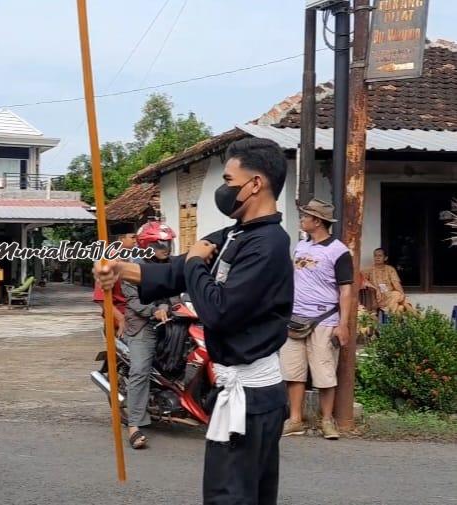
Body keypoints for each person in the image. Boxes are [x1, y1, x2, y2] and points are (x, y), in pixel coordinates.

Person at [93, 138, 293, 505]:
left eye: (229, 179)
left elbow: (219, 310)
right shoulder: (238, 234)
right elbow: (175, 271)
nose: (224, 188)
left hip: (251, 396)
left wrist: (195, 264)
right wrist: (122, 269)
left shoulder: (268, 245)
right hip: (242, 394)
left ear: (255, 183)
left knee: (229, 497)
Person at [280, 199, 354, 441]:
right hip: (296, 318)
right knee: (293, 371)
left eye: (306, 217)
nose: (302, 220)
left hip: (324, 319)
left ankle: (327, 420)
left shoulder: (339, 251)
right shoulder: (300, 247)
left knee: (324, 373)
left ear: (318, 221)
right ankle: (295, 419)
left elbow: (346, 290)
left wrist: (342, 324)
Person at [121, 221, 177, 450]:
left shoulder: (173, 265)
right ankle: (134, 425)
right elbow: (134, 302)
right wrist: (155, 310)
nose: (166, 248)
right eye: (161, 244)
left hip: (173, 322)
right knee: (140, 370)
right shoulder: (133, 269)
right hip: (143, 324)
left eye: (168, 243)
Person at [93, 226, 136, 336]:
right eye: (132, 237)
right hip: (118, 318)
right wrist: (120, 319)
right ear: (121, 239)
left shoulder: (132, 259)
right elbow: (101, 299)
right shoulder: (109, 261)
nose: (135, 241)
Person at [362, 248, 416, 315]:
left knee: (400, 305)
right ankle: (417, 318)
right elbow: (361, 280)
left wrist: (402, 294)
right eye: (375, 256)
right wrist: (375, 288)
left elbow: (396, 283)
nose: (377, 258)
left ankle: (391, 316)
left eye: (380, 256)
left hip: (390, 295)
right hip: (378, 298)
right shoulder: (368, 270)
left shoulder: (390, 269)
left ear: (385, 258)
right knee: (399, 299)